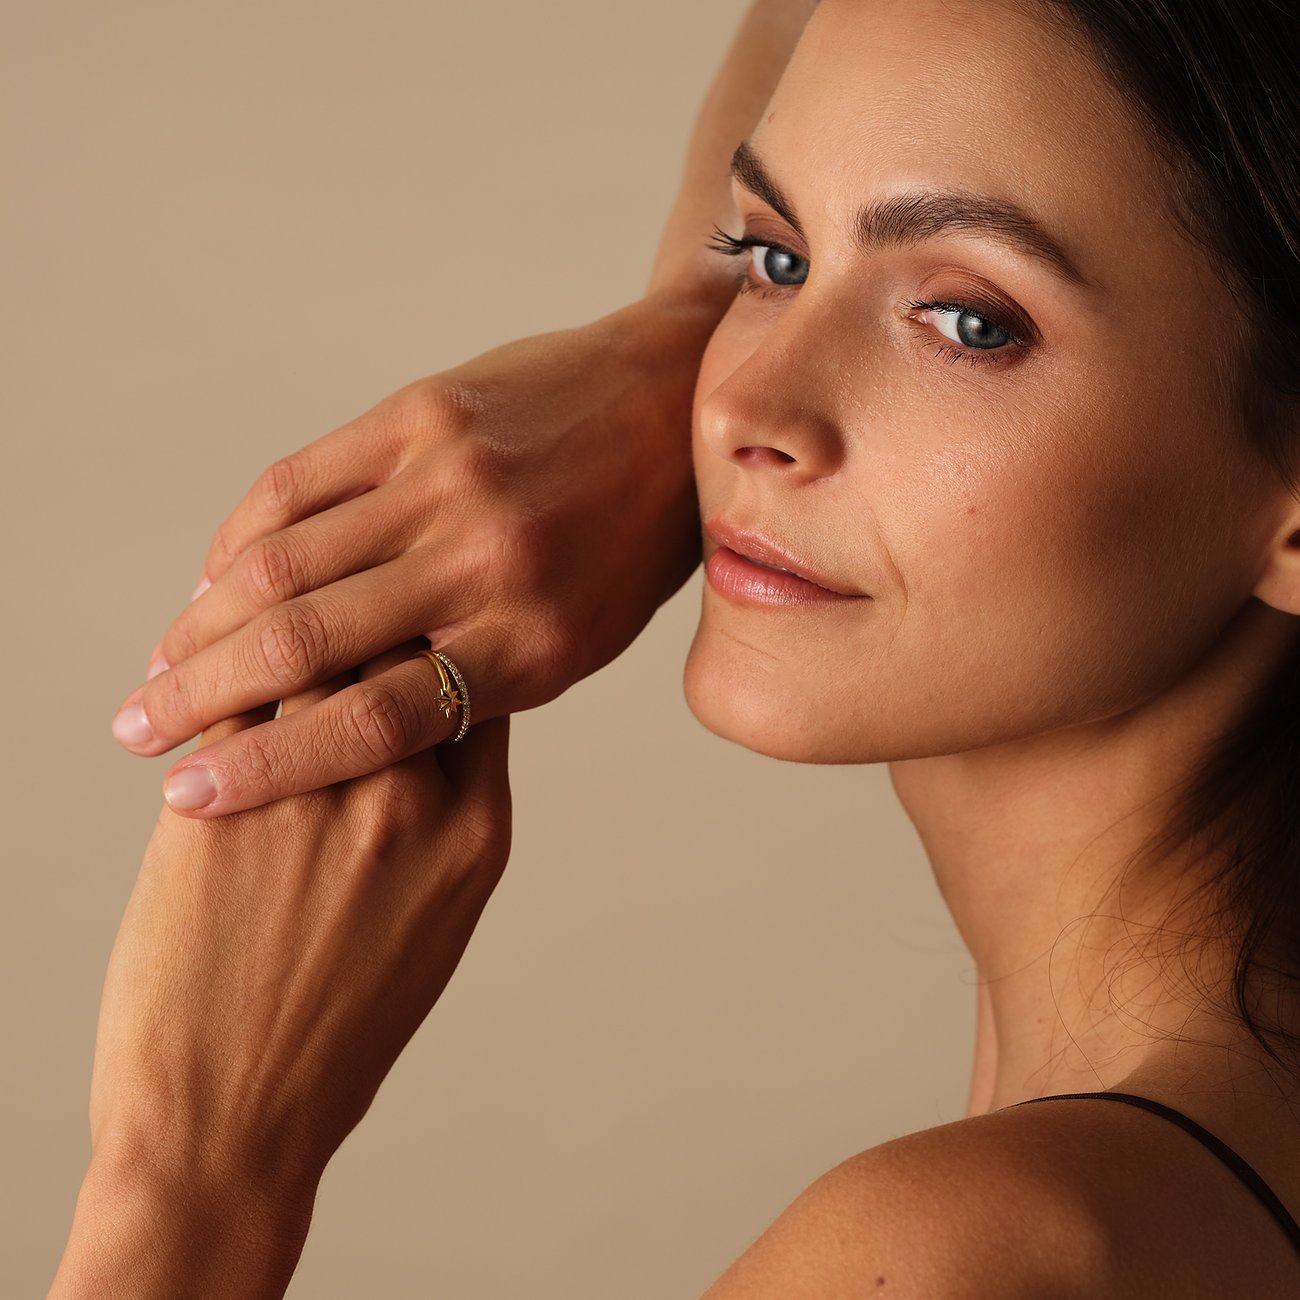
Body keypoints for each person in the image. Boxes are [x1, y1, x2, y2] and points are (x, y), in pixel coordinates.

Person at [52, 0, 1300, 1294]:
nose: (744, 406)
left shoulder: (961, 1253)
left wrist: (190, 1177)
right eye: (770, 258)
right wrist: (661, 345)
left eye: (969, 321)